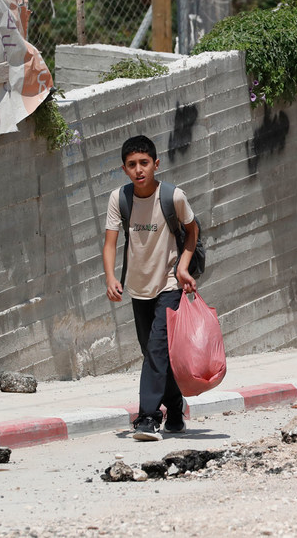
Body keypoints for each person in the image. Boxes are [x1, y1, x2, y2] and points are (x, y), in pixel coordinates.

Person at [102, 135, 199, 440]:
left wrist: (182, 267)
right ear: (124, 168)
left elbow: (192, 231)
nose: (139, 169)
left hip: (169, 285)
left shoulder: (173, 196)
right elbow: (109, 243)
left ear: (156, 164)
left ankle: (147, 418)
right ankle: (174, 406)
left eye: (144, 163)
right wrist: (110, 277)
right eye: (132, 165)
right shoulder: (120, 198)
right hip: (138, 287)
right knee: (153, 351)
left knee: (156, 349)